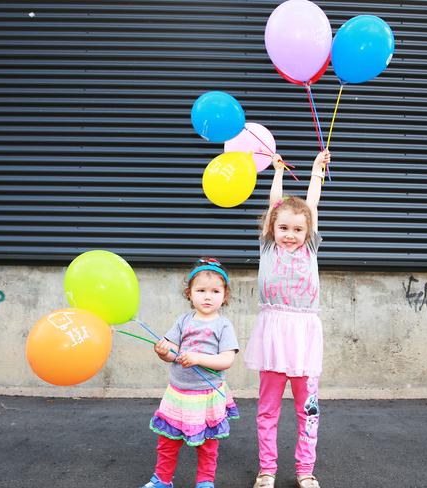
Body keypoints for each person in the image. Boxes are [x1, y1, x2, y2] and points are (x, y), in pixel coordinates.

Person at [244, 149, 331, 488]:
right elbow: (275, 204)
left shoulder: (309, 247)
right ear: (272, 227)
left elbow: (311, 204)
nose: (290, 234)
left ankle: (305, 470)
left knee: (307, 410)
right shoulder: (269, 247)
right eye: (283, 228)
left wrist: (315, 172)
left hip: (304, 337)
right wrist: (277, 173)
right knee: (267, 409)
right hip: (272, 336)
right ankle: (267, 469)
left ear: (308, 231)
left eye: (297, 228)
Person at [140, 257, 240, 488]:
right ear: (189, 294)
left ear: (224, 296)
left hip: (206, 395)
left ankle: (205, 481)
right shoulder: (183, 320)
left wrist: (198, 358)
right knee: (167, 441)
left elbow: (227, 359)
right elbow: (170, 352)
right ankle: (162, 480)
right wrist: (161, 350)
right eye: (201, 290)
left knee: (207, 444)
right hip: (178, 394)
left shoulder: (223, 326)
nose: (207, 296)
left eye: (215, 291)